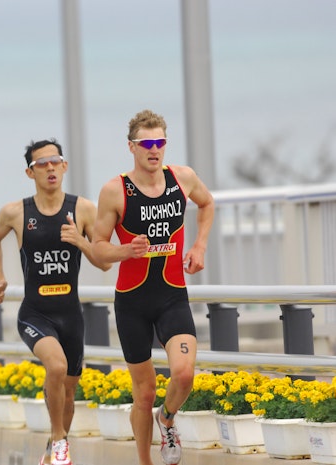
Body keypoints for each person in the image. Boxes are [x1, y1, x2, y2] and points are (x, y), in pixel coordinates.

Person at [91, 109, 215, 465]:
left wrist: (199, 246)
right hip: (132, 302)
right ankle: (145, 461)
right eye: (146, 143)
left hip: (172, 295)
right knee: (144, 394)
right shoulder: (115, 191)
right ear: (131, 147)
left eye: (160, 142)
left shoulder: (182, 178)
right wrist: (125, 250)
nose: (154, 149)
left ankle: (168, 418)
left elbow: (207, 203)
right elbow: (98, 247)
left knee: (184, 374)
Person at [0, 139, 111, 465]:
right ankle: (59, 440)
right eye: (42, 163)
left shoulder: (83, 209)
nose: (50, 167)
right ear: (31, 172)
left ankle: (52, 451)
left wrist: (80, 241)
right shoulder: (15, 212)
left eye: (55, 161)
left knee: (67, 392)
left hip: (71, 315)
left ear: (64, 166)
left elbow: (104, 262)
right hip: (35, 313)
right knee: (55, 367)